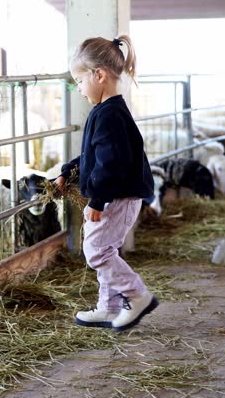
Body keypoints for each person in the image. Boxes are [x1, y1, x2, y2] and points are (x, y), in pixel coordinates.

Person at [55, 35, 159, 332]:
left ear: (98, 75)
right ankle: (108, 308)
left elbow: (110, 163)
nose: (78, 89)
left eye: (79, 80)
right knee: (104, 250)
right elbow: (94, 155)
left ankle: (137, 296)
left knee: (97, 251)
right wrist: (69, 171)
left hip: (117, 197)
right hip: (115, 195)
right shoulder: (106, 112)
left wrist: (98, 200)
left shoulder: (110, 115)